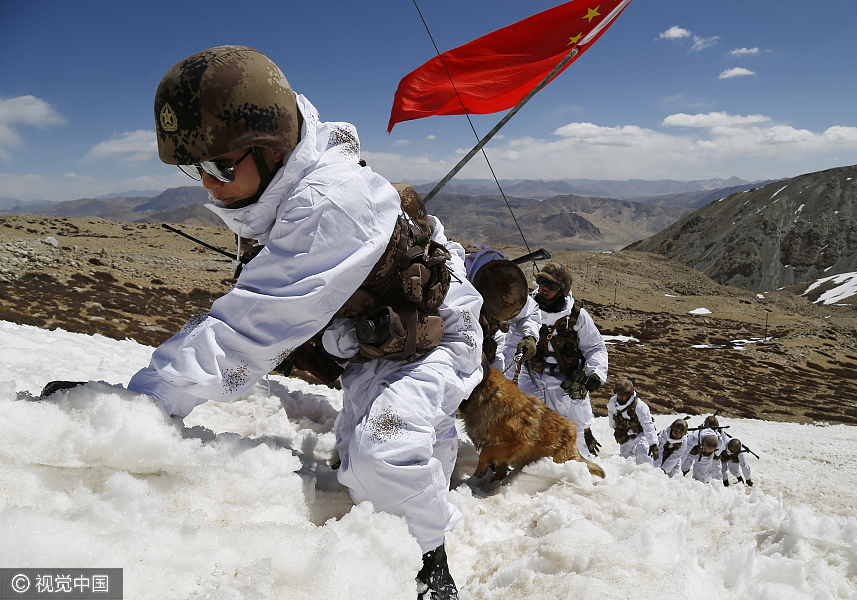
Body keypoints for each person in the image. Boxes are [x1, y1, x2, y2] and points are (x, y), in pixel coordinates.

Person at [128, 46, 482, 599]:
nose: (206, 184)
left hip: (435, 335)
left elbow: (244, 334)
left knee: (379, 453)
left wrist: (142, 402)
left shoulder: (330, 203)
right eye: (193, 168)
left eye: (219, 166)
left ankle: (430, 561)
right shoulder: (283, 184)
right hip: (376, 338)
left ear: (272, 148)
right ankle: (426, 479)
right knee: (394, 438)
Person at [518, 262, 608, 457]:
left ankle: (580, 478)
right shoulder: (525, 311)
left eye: (551, 285)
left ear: (563, 291)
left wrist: (595, 373)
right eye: (541, 281)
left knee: (575, 435)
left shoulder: (577, 317)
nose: (544, 288)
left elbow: (595, 348)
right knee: (532, 428)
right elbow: (510, 347)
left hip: (567, 380)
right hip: (533, 375)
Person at [464, 246, 541, 375]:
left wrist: (529, 336)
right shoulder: (456, 293)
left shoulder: (506, 289)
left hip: (491, 351)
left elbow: (529, 312)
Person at [607, 378, 658, 465]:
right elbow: (611, 416)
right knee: (624, 459)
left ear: (630, 394)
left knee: (643, 454)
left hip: (641, 434)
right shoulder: (613, 402)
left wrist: (653, 444)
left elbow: (648, 425)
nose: (620, 396)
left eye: (623, 394)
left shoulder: (641, 406)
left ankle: (646, 473)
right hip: (625, 434)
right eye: (618, 393)